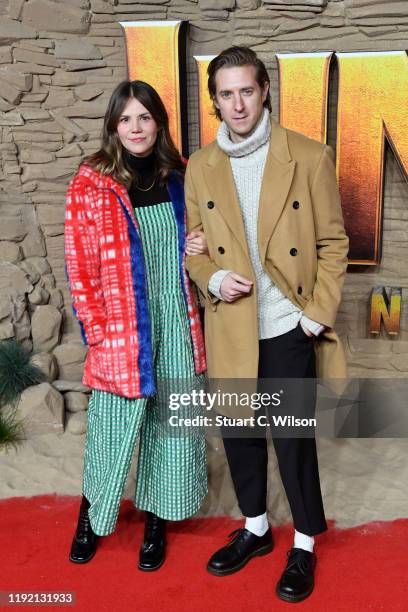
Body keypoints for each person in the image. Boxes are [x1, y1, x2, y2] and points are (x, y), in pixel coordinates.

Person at [185, 46, 348, 602]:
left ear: (264, 92)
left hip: (286, 323)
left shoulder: (307, 155)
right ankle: (255, 529)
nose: (237, 104)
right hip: (232, 322)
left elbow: (332, 241)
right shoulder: (201, 165)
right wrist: (210, 277)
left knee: (293, 440)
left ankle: (303, 542)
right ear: (215, 101)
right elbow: (195, 250)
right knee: (241, 435)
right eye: (225, 94)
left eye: (246, 91)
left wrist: (314, 316)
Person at [64, 79, 208, 571]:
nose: (135, 127)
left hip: (177, 317)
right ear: (113, 126)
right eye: (125, 119)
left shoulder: (181, 175)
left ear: (159, 122)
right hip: (123, 327)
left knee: (171, 428)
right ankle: (90, 514)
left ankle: (156, 521)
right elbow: (79, 264)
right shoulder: (92, 181)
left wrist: (198, 245)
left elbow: (207, 236)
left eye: (144, 117)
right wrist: (97, 332)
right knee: (110, 429)